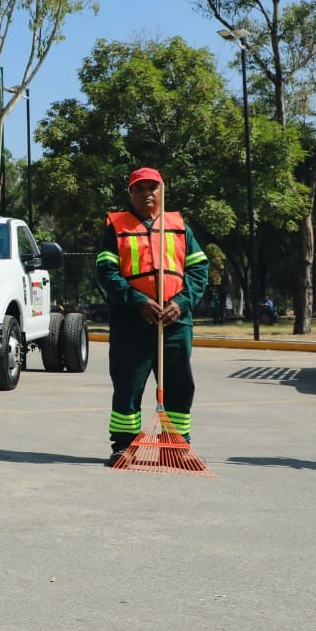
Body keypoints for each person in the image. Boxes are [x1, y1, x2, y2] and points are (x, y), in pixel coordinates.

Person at [95, 167, 209, 466]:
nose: (147, 193)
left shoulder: (180, 226)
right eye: (140, 188)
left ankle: (175, 446)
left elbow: (198, 271)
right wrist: (137, 301)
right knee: (128, 384)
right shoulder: (116, 227)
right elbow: (106, 272)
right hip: (132, 321)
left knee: (179, 384)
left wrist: (181, 302)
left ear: (162, 190)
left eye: (152, 188)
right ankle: (124, 446)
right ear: (130, 193)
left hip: (174, 321)